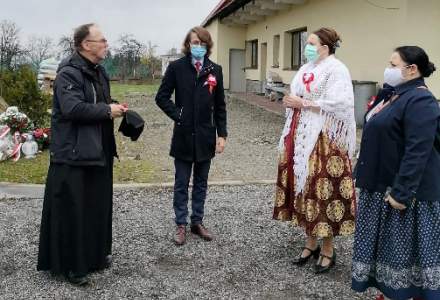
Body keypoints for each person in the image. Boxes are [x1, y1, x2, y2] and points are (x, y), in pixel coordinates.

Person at [37, 23, 127, 285]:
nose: (106, 43)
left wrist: (118, 110)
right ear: (86, 45)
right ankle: (73, 266)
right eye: (103, 39)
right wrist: (108, 110)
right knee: (75, 210)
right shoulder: (68, 74)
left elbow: (98, 103)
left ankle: (95, 256)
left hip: (98, 150)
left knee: (96, 207)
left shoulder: (99, 72)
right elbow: (73, 108)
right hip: (73, 154)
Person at [352, 46, 440, 300]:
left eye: (393, 64)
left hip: (404, 193)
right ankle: (390, 290)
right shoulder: (394, 94)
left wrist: (401, 193)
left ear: (411, 69)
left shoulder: (420, 99)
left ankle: (407, 293)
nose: (388, 69)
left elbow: (418, 150)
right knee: (386, 248)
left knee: (404, 250)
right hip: (381, 185)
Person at [273, 27, 356, 273]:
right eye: (306, 43)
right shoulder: (306, 69)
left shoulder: (337, 69)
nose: (306, 48)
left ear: (324, 48)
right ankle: (310, 242)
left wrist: (304, 103)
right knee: (304, 189)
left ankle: (328, 248)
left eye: (310, 43)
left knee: (323, 190)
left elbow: (342, 104)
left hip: (325, 138)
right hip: (300, 134)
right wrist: (291, 101)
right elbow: (297, 94)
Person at [155, 26, 227, 246]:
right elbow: (162, 97)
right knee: (181, 182)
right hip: (184, 135)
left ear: (208, 46)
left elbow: (220, 105)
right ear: (188, 45)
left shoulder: (215, 69)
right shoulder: (177, 68)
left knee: (201, 182)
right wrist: (179, 115)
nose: (198, 47)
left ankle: (197, 221)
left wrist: (222, 134)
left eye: (202, 43)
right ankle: (180, 223)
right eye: (194, 43)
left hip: (206, 136)